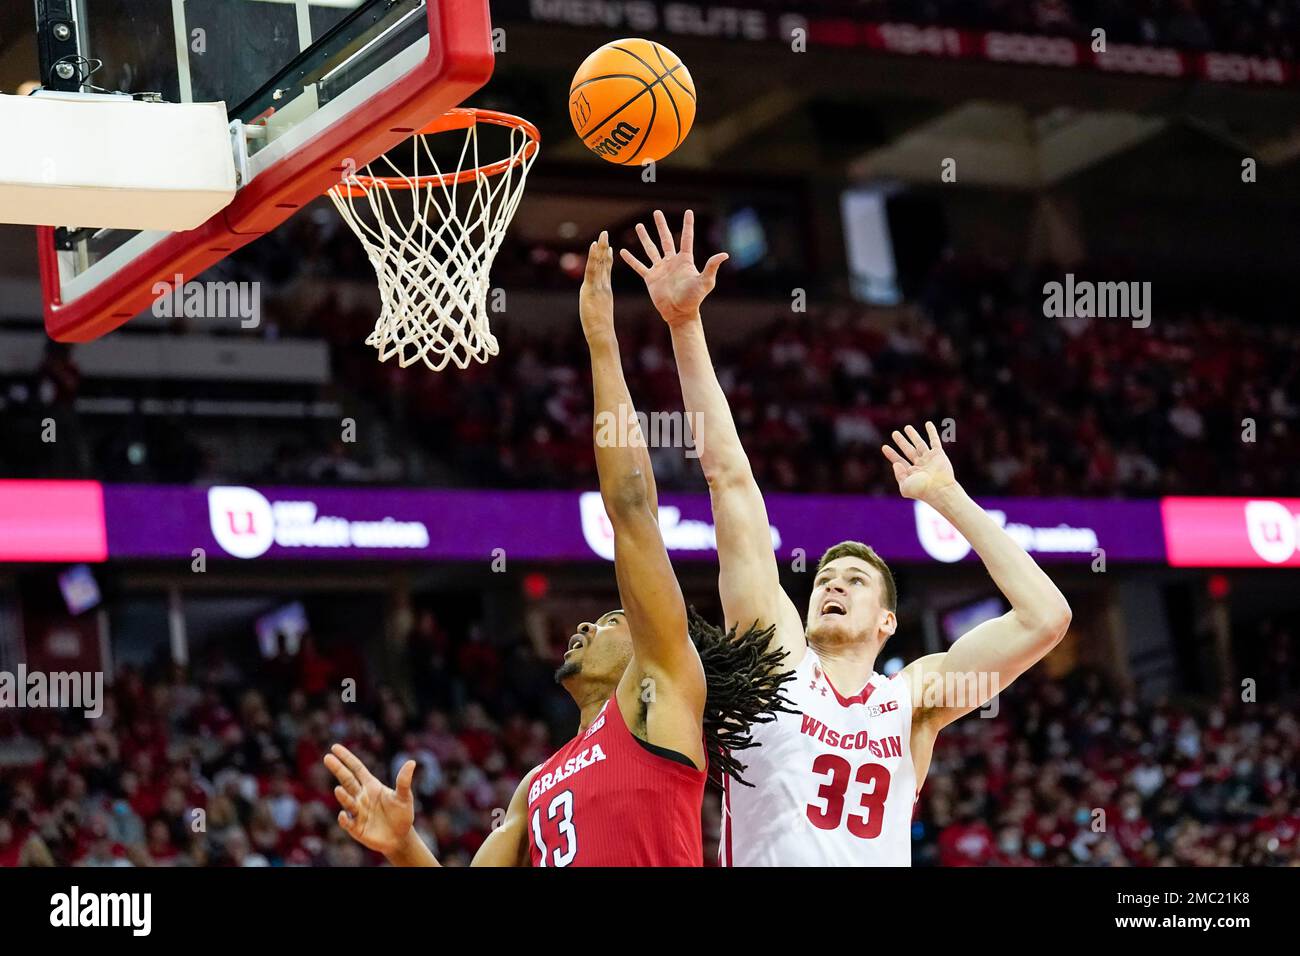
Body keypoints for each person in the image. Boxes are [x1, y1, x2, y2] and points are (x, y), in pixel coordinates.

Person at [621, 209, 1072, 865]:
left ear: (888, 620)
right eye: (827, 578)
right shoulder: (776, 657)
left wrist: (949, 498)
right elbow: (731, 482)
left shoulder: (912, 701)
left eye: (855, 580)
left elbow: (1047, 617)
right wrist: (686, 327)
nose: (832, 582)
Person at [325, 232, 791, 866]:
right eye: (601, 617)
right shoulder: (534, 787)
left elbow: (632, 510)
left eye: (608, 619)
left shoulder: (664, 689)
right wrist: (405, 844)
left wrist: (603, 344)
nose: (586, 624)